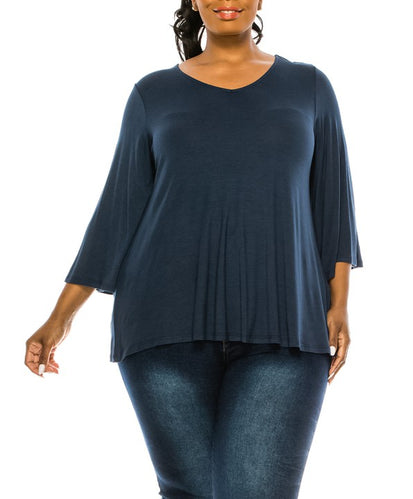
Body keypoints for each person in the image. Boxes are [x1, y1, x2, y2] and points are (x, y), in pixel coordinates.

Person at [24, 0, 364, 497]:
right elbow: (118, 213)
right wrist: (60, 317)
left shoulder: (310, 86)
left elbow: (332, 204)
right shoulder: (153, 94)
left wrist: (339, 303)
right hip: (162, 328)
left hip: (286, 327)